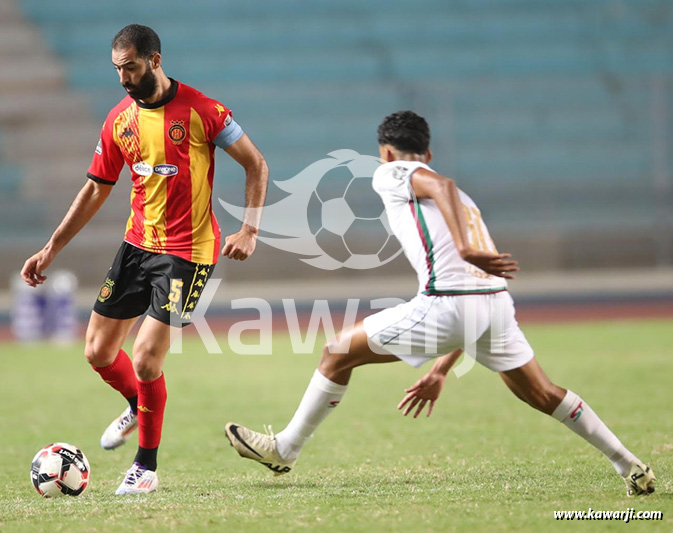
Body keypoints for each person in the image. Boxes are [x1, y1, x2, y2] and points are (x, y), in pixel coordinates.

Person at [224, 111, 655, 496]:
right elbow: (466, 279)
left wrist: (466, 249)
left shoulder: (392, 172)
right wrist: (440, 368)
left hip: (448, 304)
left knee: (337, 351)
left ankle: (286, 448)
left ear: (388, 153)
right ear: (427, 152)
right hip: (493, 306)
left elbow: (439, 186)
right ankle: (627, 463)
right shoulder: (465, 201)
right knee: (543, 393)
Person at [21, 24, 268, 495]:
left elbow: (256, 163)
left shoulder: (203, 111)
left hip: (188, 252)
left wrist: (250, 229)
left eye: (130, 68)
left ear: (155, 60)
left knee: (147, 358)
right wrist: (52, 247)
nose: (123, 78)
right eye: (117, 69)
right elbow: (96, 187)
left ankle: (146, 467)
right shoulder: (119, 120)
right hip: (138, 246)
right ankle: (139, 405)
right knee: (97, 352)